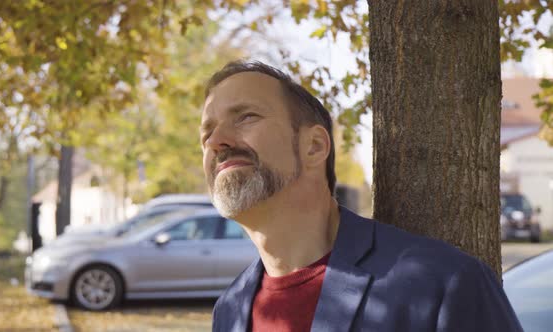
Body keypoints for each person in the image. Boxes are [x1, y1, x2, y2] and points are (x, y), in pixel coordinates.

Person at [200, 60, 522, 332]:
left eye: (245, 117)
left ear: (314, 147)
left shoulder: (444, 284)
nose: (217, 140)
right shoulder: (228, 311)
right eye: (207, 132)